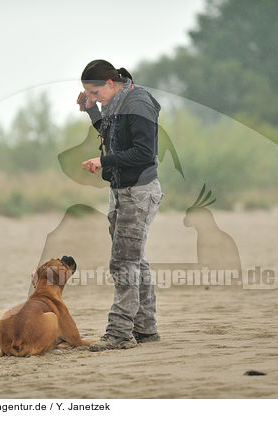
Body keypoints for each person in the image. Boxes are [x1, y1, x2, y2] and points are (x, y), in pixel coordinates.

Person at [77, 59, 164, 351]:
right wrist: (90, 111)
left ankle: (119, 333)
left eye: (94, 94)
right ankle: (145, 329)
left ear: (110, 84)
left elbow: (143, 152)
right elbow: (112, 135)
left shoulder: (137, 104)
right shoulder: (116, 101)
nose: (92, 99)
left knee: (123, 262)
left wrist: (104, 160)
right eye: (89, 95)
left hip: (138, 192)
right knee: (134, 259)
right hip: (121, 190)